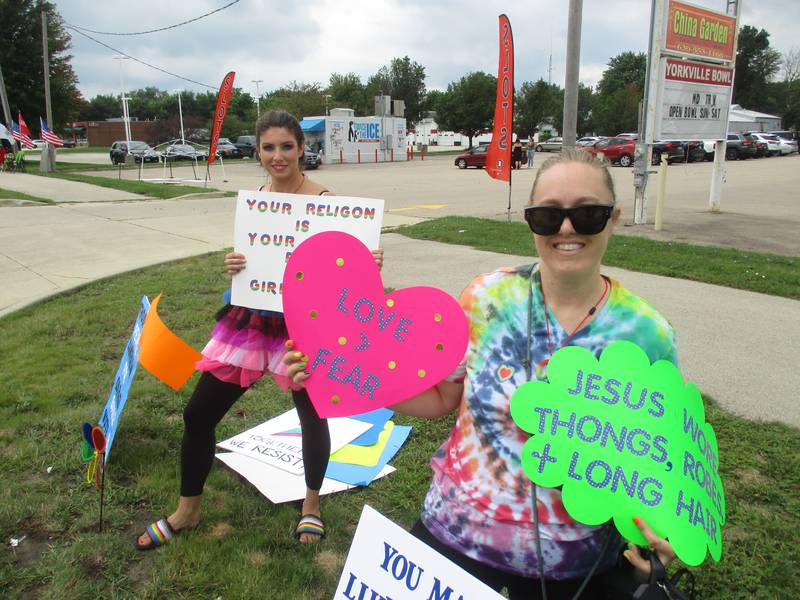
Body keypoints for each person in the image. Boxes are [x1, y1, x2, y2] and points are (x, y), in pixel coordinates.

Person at [286, 149, 678, 598]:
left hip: (573, 564)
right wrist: (345, 377)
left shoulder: (648, 334)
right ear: (531, 222)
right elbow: (442, 399)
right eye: (547, 216)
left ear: (614, 219)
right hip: (455, 533)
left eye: (588, 214)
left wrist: (661, 538)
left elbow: (654, 461)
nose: (566, 229)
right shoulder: (487, 296)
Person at [135, 110, 384, 550]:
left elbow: (343, 272)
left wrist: (367, 263)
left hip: (305, 326)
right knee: (198, 414)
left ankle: (311, 503)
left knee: (312, 415)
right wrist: (236, 263)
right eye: (268, 147)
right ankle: (188, 509)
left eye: (286, 146)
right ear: (258, 150)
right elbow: (252, 258)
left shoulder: (326, 201)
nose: (277, 156)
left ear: (302, 148)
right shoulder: (256, 200)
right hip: (251, 320)